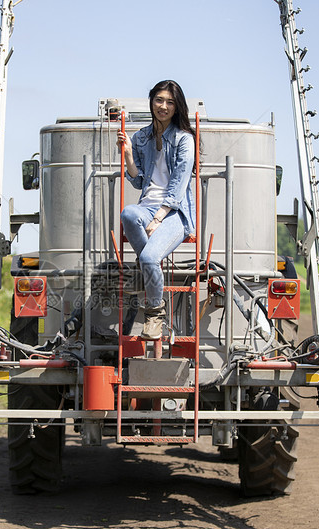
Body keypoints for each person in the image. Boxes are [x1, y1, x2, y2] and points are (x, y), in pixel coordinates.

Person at [118, 80, 196, 340]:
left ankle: (154, 314)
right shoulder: (141, 137)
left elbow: (179, 183)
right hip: (147, 206)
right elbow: (139, 181)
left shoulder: (185, 140)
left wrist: (159, 218)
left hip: (175, 212)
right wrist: (128, 154)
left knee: (150, 258)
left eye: (170, 102)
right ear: (151, 101)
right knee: (128, 213)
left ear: (177, 107)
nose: (163, 106)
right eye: (159, 100)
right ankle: (145, 275)